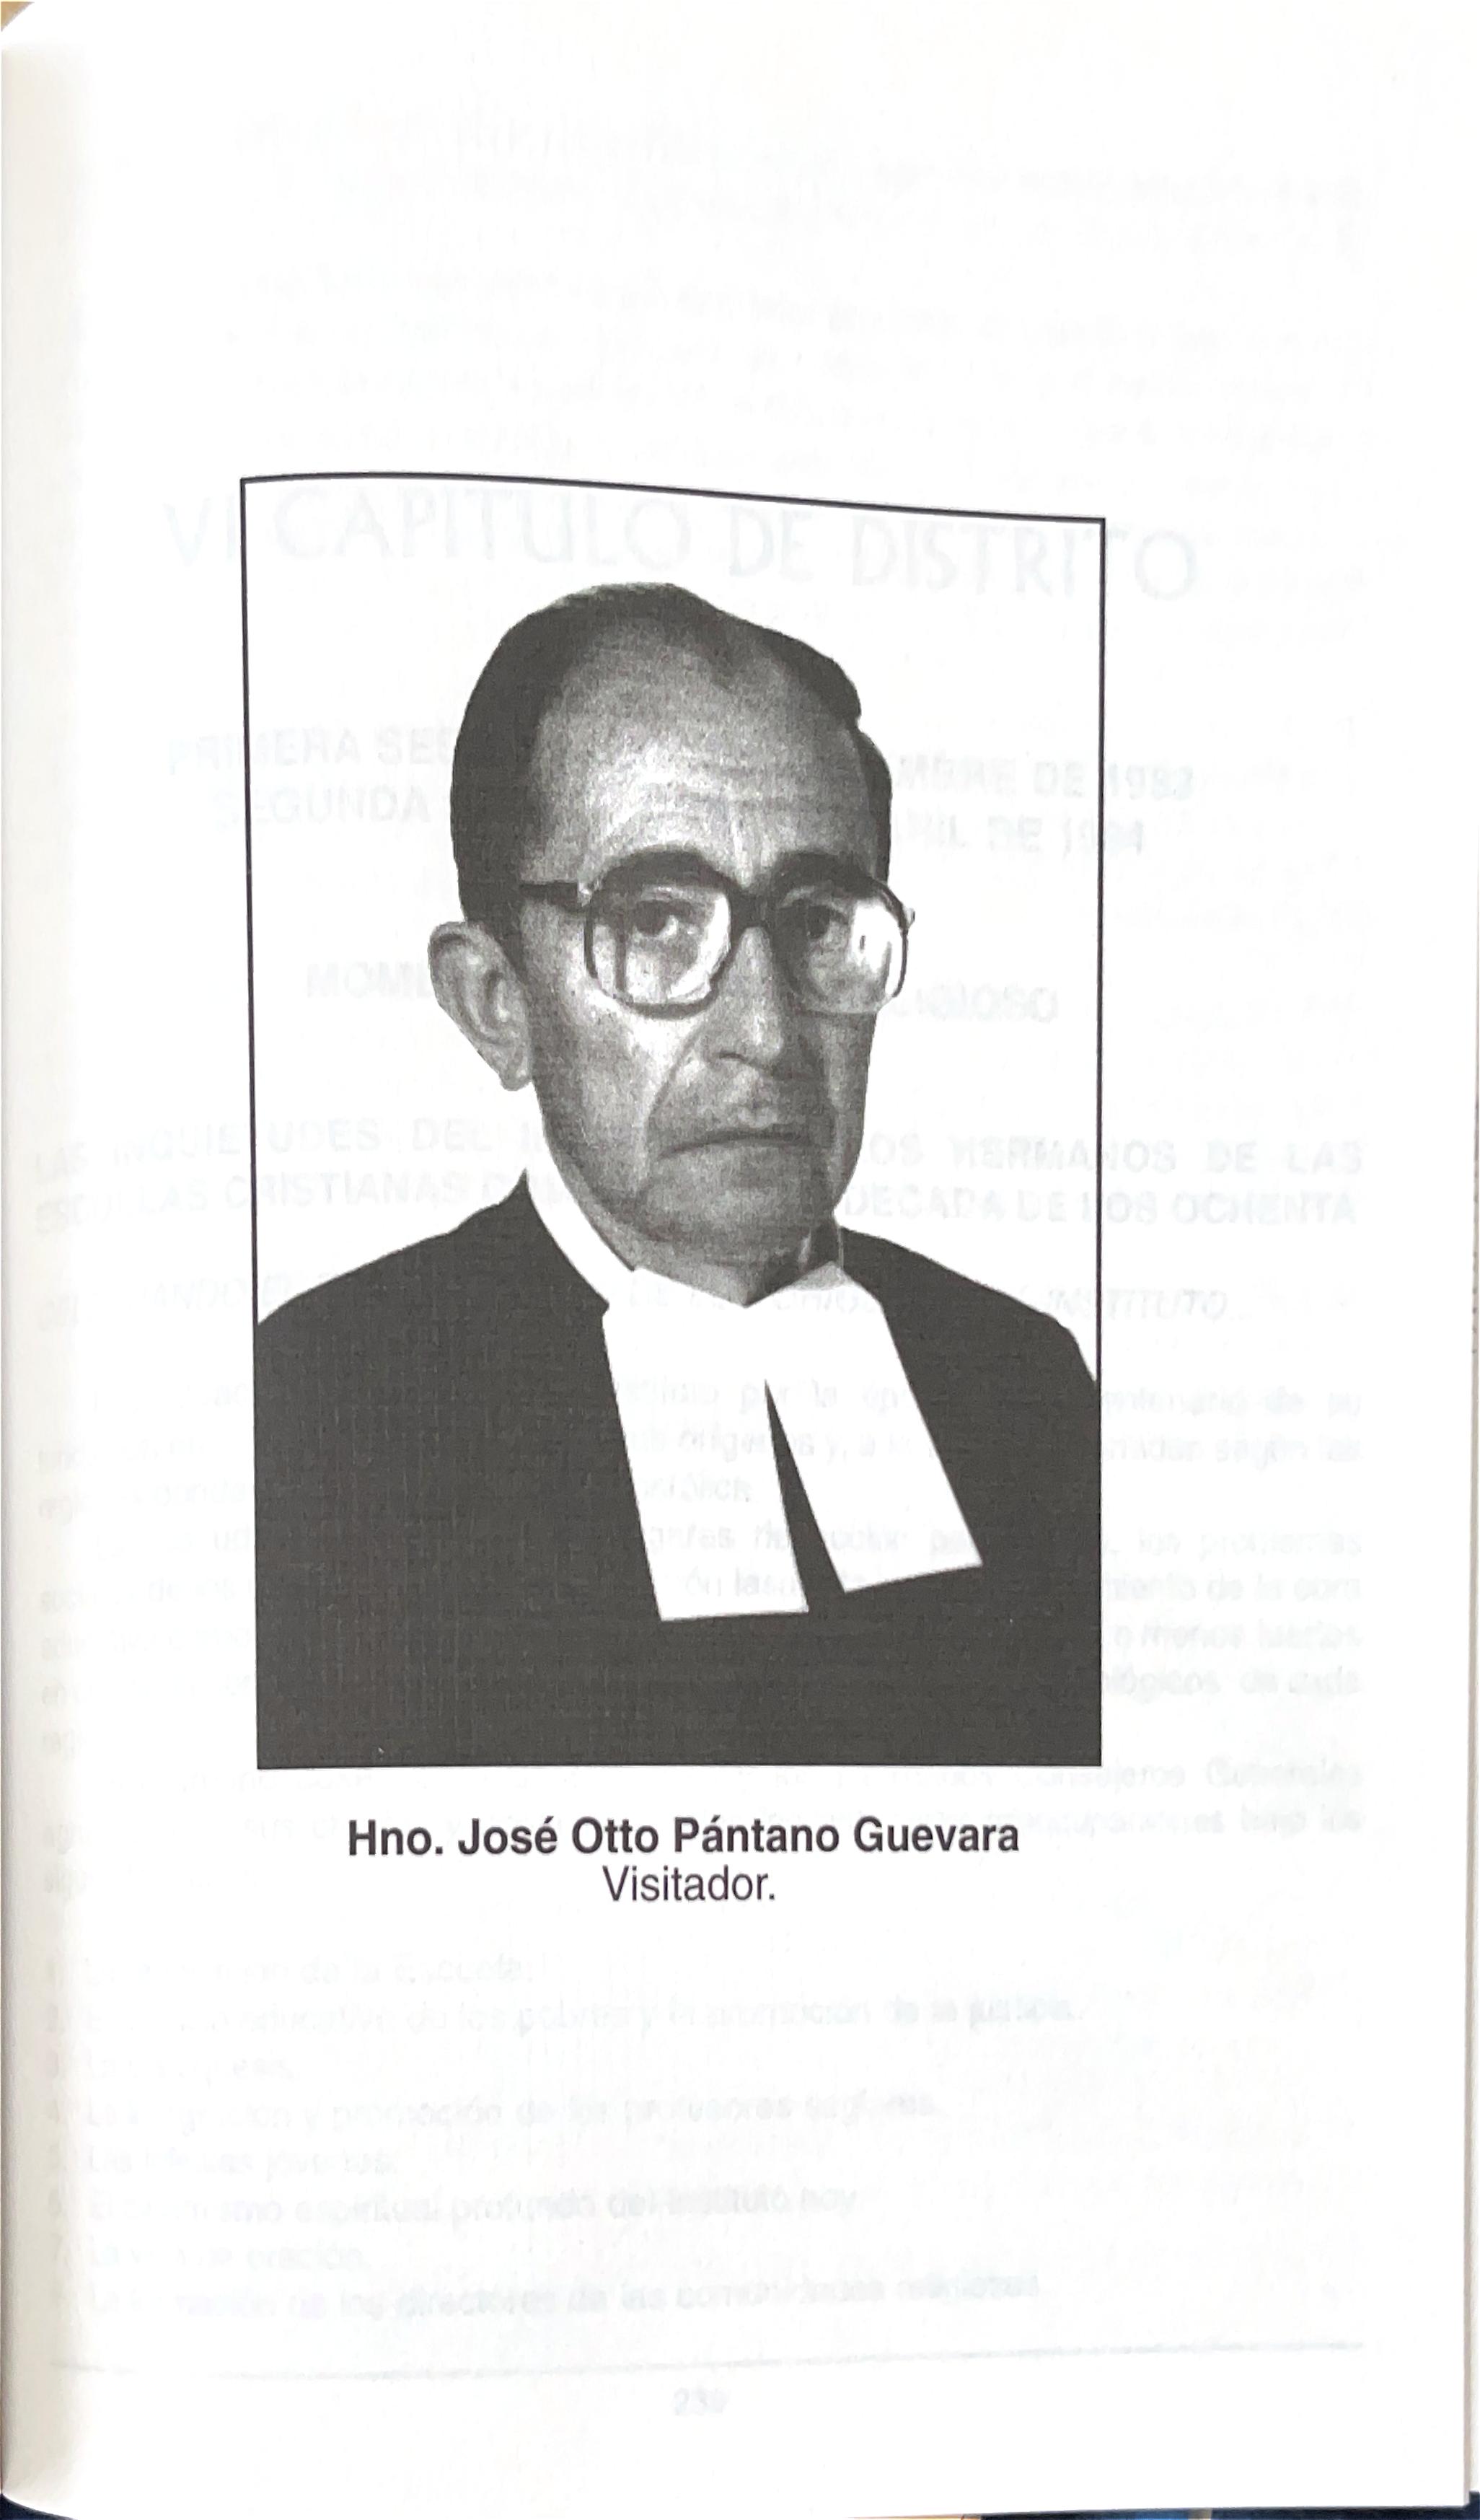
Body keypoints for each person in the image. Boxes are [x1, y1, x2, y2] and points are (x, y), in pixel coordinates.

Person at [255, 584, 1098, 1768]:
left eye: (819, 922)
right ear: (496, 1002)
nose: (765, 1032)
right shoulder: (321, 1405)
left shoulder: (1024, 1384)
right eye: (654, 920)